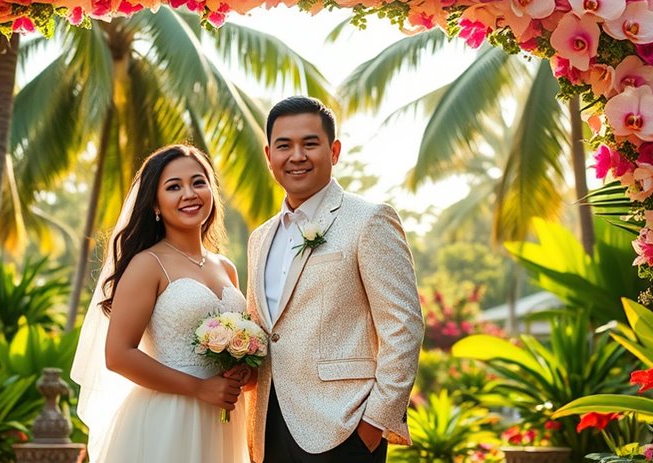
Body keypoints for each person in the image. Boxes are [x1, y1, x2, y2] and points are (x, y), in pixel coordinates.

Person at [242, 96, 424, 463]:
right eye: (284, 146)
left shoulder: (369, 220)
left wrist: (373, 425)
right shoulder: (259, 238)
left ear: (334, 151)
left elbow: (403, 326)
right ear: (269, 155)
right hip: (268, 426)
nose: (297, 156)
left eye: (310, 144)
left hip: (344, 428)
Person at [70, 144, 250, 463]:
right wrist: (199, 388)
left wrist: (243, 371)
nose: (189, 194)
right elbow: (118, 355)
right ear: (155, 202)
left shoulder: (226, 267)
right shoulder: (148, 264)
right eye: (173, 187)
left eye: (198, 182)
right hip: (171, 417)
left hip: (223, 418)